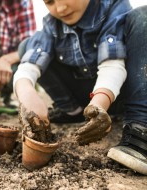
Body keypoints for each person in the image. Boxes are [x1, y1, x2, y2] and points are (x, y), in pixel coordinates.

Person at [14, 0, 147, 175]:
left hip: (120, 92)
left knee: (143, 16)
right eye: (49, 2)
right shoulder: (51, 24)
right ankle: (72, 111)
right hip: (86, 100)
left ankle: (140, 128)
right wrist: (27, 93)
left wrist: (99, 103)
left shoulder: (114, 7)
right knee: (28, 46)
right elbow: (28, 67)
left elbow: (112, 66)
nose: (60, 8)